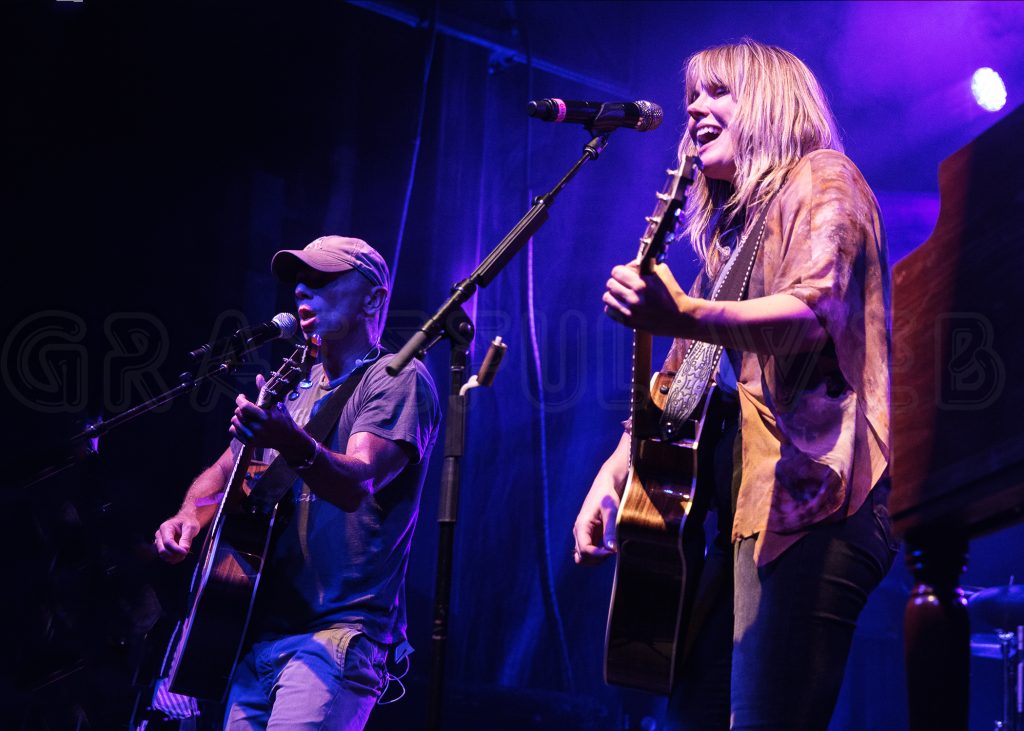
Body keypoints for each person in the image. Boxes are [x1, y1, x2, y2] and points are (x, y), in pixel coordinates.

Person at [572, 39, 897, 730]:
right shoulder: (729, 249)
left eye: (719, 92)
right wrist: (613, 473)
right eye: (692, 94)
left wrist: (685, 313)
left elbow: (814, 314)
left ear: (774, 103)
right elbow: (676, 390)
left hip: (819, 499)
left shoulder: (824, 178)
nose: (694, 107)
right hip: (748, 514)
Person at [154, 235, 441, 730]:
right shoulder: (289, 386)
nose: (303, 292)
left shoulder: (395, 377)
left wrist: (290, 440)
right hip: (253, 634)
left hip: (336, 636)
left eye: (323, 281)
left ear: (372, 298)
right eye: (300, 282)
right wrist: (187, 516)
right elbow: (224, 471)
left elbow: (358, 483)